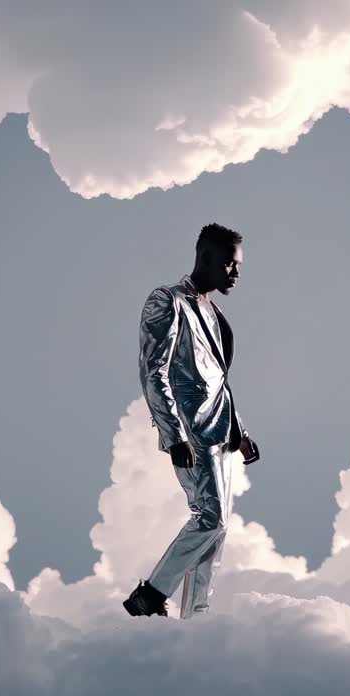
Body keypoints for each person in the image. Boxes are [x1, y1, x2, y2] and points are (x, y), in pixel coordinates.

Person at [123, 223, 262, 619]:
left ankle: (197, 620)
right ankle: (149, 596)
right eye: (229, 265)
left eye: (237, 266)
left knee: (217, 535)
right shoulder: (167, 300)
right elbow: (154, 372)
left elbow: (219, 380)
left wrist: (241, 432)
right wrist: (173, 435)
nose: (235, 273)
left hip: (220, 433)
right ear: (205, 257)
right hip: (190, 431)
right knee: (210, 519)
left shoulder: (215, 314)